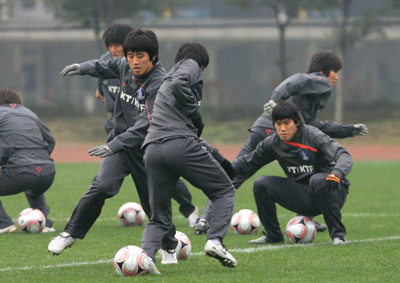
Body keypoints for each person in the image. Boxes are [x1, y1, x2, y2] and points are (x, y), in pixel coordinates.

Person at [195, 51, 367, 234]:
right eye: (335, 71)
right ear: (324, 70)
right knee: (313, 172)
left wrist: (346, 130)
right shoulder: (321, 81)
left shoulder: (307, 100)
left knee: (236, 174)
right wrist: (275, 99)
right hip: (275, 132)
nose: (337, 76)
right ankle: (309, 218)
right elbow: (295, 80)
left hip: (262, 127)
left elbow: (314, 125)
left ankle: (206, 219)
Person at [141, 42, 237, 272]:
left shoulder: (165, 80)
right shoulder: (190, 64)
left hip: (153, 149)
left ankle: (145, 257)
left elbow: (188, 132)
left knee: (159, 214)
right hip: (178, 145)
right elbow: (180, 84)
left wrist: (220, 159)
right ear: (201, 64)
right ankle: (215, 241)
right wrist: (196, 114)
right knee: (224, 191)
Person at [95, 23, 199, 226]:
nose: (114, 50)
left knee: (162, 174)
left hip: (147, 130)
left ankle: (188, 209)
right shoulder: (110, 63)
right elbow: (101, 88)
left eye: (118, 45)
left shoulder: (149, 73)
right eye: (110, 45)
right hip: (121, 127)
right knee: (107, 177)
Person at [233, 101, 352, 245]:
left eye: (286, 123)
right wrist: (220, 167)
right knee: (261, 183)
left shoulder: (313, 135)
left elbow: (344, 155)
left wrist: (337, 174)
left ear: (297, 122)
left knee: (317, 180)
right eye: (278, 124)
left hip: (332, 191)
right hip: (303, 195)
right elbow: (246, 163)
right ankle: (273, 235)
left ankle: (338, 235)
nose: (282, 128)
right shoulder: (272, 143)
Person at [0, 88, 56, 234]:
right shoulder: (29, 113)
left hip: (21, 172)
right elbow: (50, 140)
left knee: (27, 176)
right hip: (47, 173)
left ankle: (3, 223)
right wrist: (39, 159)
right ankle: (45, 223)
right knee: (33, 187)